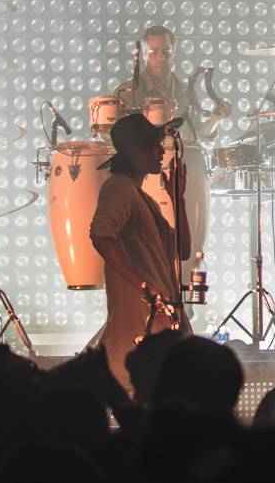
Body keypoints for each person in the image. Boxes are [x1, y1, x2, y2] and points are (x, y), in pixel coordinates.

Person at [89, 113, 190, 390]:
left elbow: (182, 250)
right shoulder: (119, 187)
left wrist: (177, 198)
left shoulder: (143, 198)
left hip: (160, 321)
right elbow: (101, 235)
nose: (161, 152)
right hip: (140, 324)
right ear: (135, 153)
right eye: (153, 146)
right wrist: (143, 286)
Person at [116, 25, 227, 260]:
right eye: (154, 52)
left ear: (174, 52)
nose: (161, 58)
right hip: (143, 179)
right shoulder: (128, 93)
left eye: (166, 52)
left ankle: (185, 276)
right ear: (144, 53)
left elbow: (199, 136)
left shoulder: (186, 92)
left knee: (186, 251)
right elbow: (114, 141)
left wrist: (216, 119)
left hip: (184, 175)